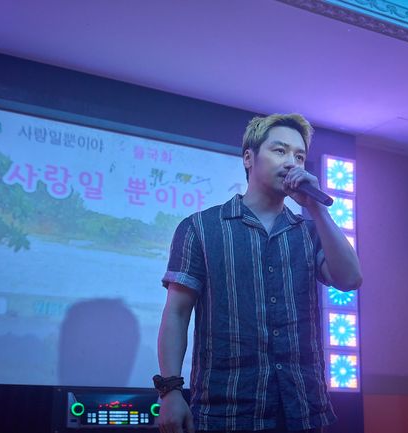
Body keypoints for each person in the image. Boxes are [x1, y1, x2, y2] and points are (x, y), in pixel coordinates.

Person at [155, 113, 362, 433]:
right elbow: (177, 314)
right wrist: (170, 391)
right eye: (280, 151)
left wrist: (317, 208)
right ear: (248, 158)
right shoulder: (201, 228)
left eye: (299, 156)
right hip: (227, 412)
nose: (291, 162)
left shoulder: (309, 232)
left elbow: (350, 279)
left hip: (302, 410)